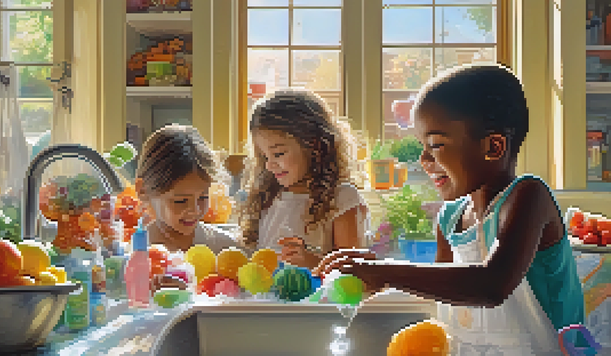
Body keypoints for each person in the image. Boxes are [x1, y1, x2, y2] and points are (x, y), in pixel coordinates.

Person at [316, 64, 586, 354]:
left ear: (494, 147)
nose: (424, 159)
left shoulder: (528, 197)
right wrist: (373, 274)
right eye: (421, 146)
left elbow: (491, 285)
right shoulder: (450, 218)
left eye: (436, 144)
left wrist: (384, 271)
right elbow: (444, 289)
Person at [239, 88, 370, 269]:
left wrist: (311, 262)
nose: (269, 165)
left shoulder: (342, 198)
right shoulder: (269, 196)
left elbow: (353, 271)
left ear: (314, 145)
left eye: (278, 153)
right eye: (264, 156)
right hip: (268, 297)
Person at [135, 124, 237, 254]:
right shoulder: (133, 255)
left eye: (203, 197)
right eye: (181, 200)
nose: (195, 210)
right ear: (143, 191)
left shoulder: (225, 250)